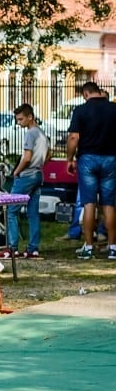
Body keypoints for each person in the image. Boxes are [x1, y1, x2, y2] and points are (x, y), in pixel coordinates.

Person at [66, 81, 116, 260]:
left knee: (89, 204)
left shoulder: (80, 110)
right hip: (111, 158)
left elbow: (73, 137)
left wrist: (69, 159)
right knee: (109, 205)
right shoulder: (113, 109)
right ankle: (112, 247)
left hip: (87, 159)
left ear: (86, 94)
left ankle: (88, 247)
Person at [0, 104, 49, 259]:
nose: (19, 122)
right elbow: (49, 154)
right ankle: (33, 248)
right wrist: (39, 164)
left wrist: (16, 171)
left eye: (21, 119)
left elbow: (26, 157)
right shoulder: (42, 133)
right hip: (38, 174)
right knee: (33, 213)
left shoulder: (30, 134)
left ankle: (12, 247)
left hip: (26, 175)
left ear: (30, 117)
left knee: (12, 211)